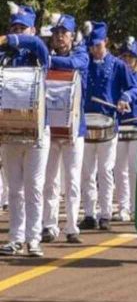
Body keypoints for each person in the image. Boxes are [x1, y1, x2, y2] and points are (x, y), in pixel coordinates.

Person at [0, 3, 50, 257]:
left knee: (34, 186)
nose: (17, 31)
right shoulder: (5, 58)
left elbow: (36, 45)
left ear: (33, 29)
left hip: (37, 130)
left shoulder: (39, 51)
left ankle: (33, 239)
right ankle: (16, 238)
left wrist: (10, 38)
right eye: (14, 27)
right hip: (10, 130)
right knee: (15, 189)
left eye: (23, 27)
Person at [79, 21, 137, 231]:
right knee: (87, 171)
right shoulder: (84, 62)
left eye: (98, 45)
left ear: (106, 42)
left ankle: (105, 214)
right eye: (92, 46)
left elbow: (134, 87)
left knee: (105, 170)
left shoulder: (117, 65)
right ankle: (89, 213)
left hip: (108, 123)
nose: (95, 50)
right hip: (86, 124)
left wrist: (124, 98)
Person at [42, 14, 89, 244]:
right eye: (56, 33)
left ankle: (71, 227)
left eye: (64, 33)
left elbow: (74, 65)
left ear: (72, 36)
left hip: (74, 129)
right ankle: (49, 226)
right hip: (50, 128)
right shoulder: (46, 56)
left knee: (72, 180)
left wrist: (48, 61)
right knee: (50, 180)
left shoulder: (81, 55)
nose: (59, 37)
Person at [114, 37, 137, 221]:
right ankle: (122, 207)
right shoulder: (117, 78)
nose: (127, 60)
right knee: (119, 170)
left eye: (130, 57)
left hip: (136, 127)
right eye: (124, 56)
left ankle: (135, 207)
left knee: (134, 169)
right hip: (119, 126)